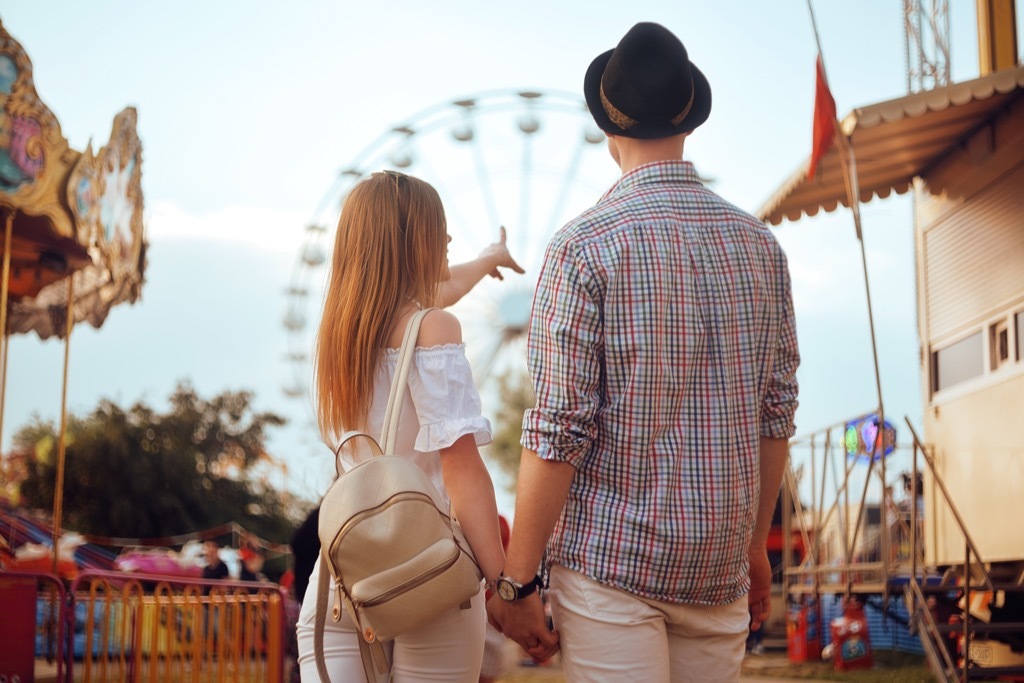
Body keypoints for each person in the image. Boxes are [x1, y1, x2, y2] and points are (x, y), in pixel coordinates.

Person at [485, 22, 800, 683]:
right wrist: (753, 548)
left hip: (612, 567)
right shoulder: (761, 248)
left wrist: (518, 582)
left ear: (609, 130)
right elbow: (775, 413)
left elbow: (559, 428)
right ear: (689, 116)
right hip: (718, 566)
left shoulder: (583, 248)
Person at [295, 170, 516, 682]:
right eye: (438, 230)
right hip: (428, 571)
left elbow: (444, 287)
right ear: (410, 240)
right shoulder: (434, 329)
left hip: (340, 581)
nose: (447, 240)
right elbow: (462, 472)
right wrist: (506, 587)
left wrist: (488, 259)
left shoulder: (341, 334)